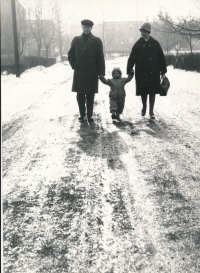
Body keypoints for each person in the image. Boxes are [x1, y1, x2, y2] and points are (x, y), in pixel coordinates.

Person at [127, 22, 167, 119]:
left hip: (154, 72)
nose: (143, 33)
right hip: (141, 72)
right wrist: (129, 69)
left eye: (145, 31)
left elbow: (161, 57)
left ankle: (151, 111)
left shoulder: (155, 43)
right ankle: (144, 107)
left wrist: (163, 70)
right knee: (143, 91)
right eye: (141, 31)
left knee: (152, 92)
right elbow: (132, 57)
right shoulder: (138, 44)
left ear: (149, 32)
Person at [68, 19, 105, 122]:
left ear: (91, 28)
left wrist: (101, 72)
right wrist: (75, 65)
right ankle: (82, 114)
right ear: (81, 27)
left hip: (91, 72)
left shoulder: (97, 40)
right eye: (84, 27)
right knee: (80, 94)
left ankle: (89, 115)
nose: (86, 29)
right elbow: (70, 54)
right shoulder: (76, 40)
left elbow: (100, 57)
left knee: (90, 94)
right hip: (79, 72)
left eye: (88, 27)